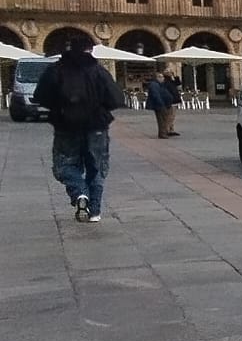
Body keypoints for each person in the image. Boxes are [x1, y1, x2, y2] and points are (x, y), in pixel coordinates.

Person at [32, 34, 125, 221]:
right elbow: (116, 99)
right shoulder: (99, 71)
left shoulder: (55, 70)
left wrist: (60, 108)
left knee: (64, 165)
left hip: (66, 126)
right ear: (89, 50)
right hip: (97, 126)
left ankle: (80, 192)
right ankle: (95, 211)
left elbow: (40, 96)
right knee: (96, 166)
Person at [144, 64, 181, 138]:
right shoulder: (156, 84)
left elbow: (178, 83)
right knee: (163, 119)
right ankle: (164, 132)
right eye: (161, 77)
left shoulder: (162, 83)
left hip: (168, 102)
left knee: (167, 117)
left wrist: (173, 75)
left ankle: (166, 131)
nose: (162, 78)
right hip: (162, 104)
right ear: (157, 77)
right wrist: (161, 103)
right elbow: (156, 95)